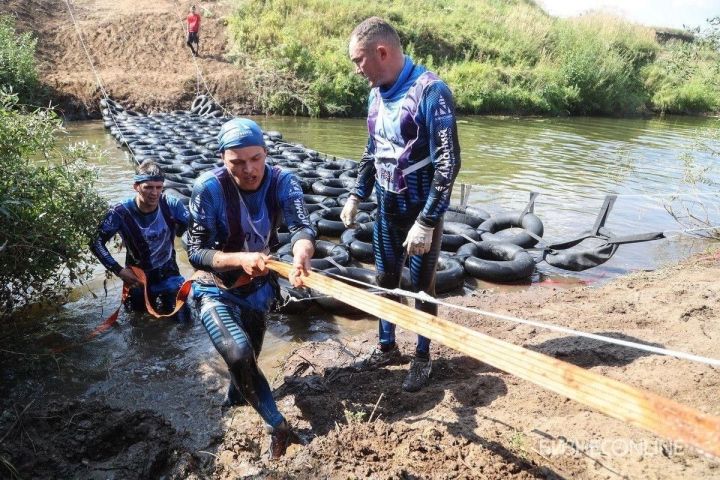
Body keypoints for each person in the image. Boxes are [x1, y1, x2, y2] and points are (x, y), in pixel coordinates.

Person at [341, 17, 461, 393]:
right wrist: (357, 194)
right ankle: (386, 346)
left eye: (359, 61)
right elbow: (371, 150)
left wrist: (427, 221)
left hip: (420, 210)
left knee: (421, 287)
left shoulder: (431, 92)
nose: (357, 70)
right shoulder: (375, 92)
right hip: (386, 207)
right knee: (385, 279)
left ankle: (423, 357)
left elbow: (448, 162)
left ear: (382, 52)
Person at [186, 118, 316, 459]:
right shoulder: (208, 189)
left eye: (256, 159)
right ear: (223, 160)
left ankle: (233, 403)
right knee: (240, 354)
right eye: (237, 163)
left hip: (258, 287)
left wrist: (302, 250)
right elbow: (195, 252)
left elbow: (302, 226)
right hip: (216, 287)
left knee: (247, 360)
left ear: (266, 153)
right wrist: (239, 258)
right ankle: (278, 425)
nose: (249, 170)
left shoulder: (283, 182)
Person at [90, 159, 191, 322]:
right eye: (148, 187)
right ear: (136, 186)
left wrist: (178, 232)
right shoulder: (119, 212)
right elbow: (96, 242)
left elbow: (187, 224)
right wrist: (119, 271)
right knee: (140, 328)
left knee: (185, 323)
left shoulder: (172, 205)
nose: (154, 193)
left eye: (159, 187)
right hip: (138, 279)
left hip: (169, 274)